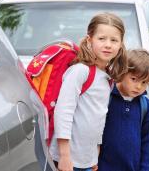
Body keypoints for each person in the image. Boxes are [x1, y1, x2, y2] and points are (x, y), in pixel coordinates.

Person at [48, 12, 128, 171]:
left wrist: (94, 152)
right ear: (89, 40)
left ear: (120, 45)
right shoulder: (80, 71)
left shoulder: (106, 77)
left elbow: (98, 115)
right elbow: (63, 112)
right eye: (101, 38)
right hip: (68, 159)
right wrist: (64, 156)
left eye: (114, 40)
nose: (108, 44)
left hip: (87, 160)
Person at [98, 49, 149, 171]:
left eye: (144, 82)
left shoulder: (145, 106)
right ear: (122, 72)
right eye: (134, 79)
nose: (138, 86)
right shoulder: (106, 97)